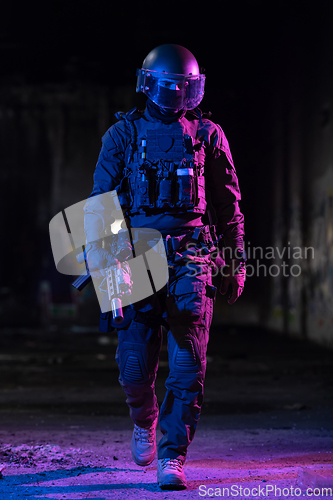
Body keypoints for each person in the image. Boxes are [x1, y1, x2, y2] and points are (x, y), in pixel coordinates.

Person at [83, 43, 245, 490]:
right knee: (135, 366)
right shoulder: (122, 136)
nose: (176, 95)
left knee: (189, 361)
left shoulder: (208, 136)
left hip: (192, 256)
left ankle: (172, 454)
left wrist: (236, 261)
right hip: (138, 256)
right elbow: (100, 207)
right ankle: (144, 418)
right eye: (169, 86)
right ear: (149, 85)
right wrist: (109, 274)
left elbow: (229, 207)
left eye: (184, 87)